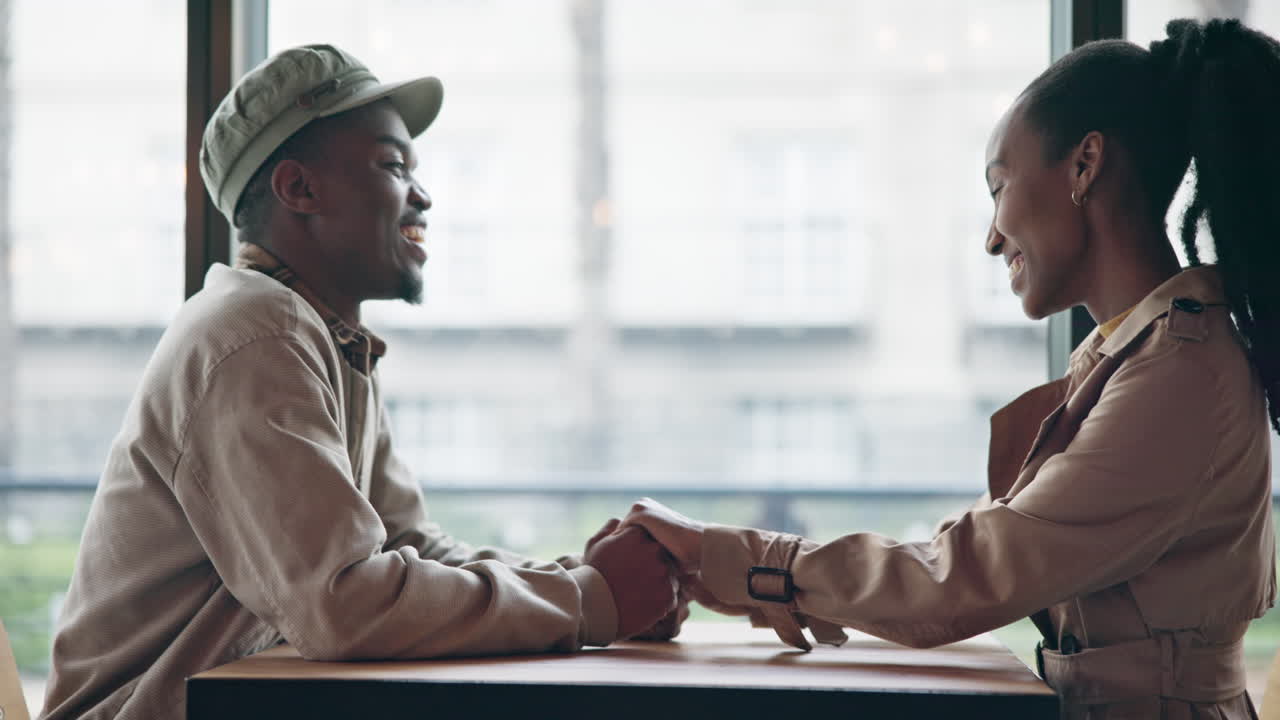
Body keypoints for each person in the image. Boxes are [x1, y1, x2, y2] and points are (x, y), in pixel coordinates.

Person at [621, 18, 1279, 719]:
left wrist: (734, 559)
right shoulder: (1135, 357)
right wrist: (744, 572)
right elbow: (978, 549)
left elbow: (970, 574)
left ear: (1085, 166)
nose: (993, 237)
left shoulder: (1179, 376)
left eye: (999, 186)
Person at [39, 45, 679, 720]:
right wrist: (590, 600)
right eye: (393, 165)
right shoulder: (255, 333)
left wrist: (576, 581)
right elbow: (342, 603)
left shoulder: (320, 337)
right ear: (299, 190)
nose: (423, 196)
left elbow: (409, 549)